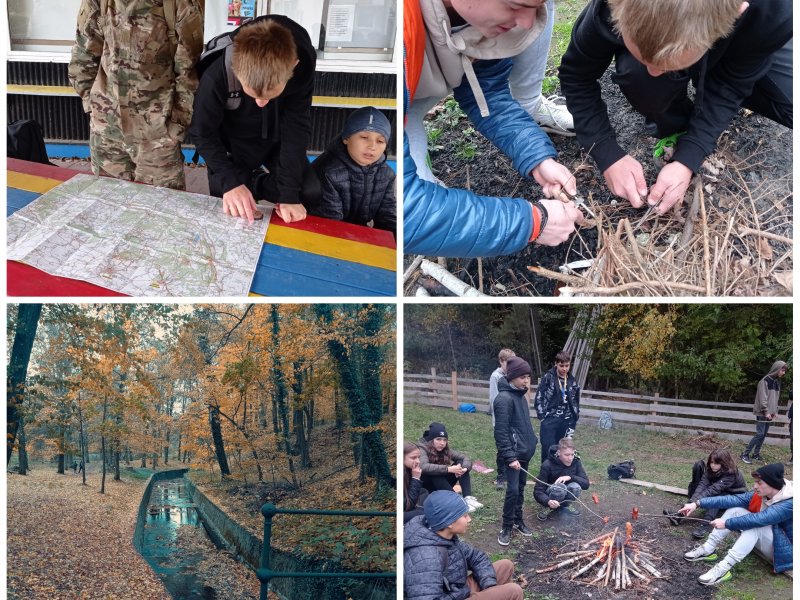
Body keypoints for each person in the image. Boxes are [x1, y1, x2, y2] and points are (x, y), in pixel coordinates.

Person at [559, 0, 792, 216]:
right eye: (646, 60)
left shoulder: (774, 12)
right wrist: (605, 151)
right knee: (641, 78)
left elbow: (731, 84)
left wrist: (692, 153)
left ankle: (714, 66)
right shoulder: (614, 6)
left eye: (666, 66)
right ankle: (675, 125)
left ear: (735, 15)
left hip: (750, 35)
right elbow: (576, 75)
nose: (654, 73)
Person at [403, 0, 585, 258]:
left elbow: (486, 92)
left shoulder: (476, 17)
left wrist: (537, 157)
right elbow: (404, 209)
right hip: (393, 107)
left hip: (413, 86)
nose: (527, 22)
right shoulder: (392, 31)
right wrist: (532, 222)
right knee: (420, 207)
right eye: (516, 4)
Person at [190, 15, 320, 224]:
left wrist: (288, 196)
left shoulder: (303, 65)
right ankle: (244, 181)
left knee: (308, 191)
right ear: (236, 67)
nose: (260, 103)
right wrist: (231, 183)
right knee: (229, 207)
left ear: (293, 67)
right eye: (252, 94)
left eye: (269, 95)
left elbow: (296, 127)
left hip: (274, 138)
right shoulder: (217, 74)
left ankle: (255, 182)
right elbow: (202, 132)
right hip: (232, 141)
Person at [68, 0, 204, 190]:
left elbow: (188, 72)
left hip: (158, 136)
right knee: (108, 204)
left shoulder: (179, 4)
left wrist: (176, 127)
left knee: (162, 209)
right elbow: (83, 57)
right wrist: (93, 107)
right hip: (107, 133)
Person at [681, 463, 793, 586]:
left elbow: (761, 519)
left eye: (759, 483)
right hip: (771, 539)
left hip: (786, 550)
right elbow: (733, 499)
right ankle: (708, 548)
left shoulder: (789, 502)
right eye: (755, 482)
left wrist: (727, 523)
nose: (755, 486)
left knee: (755, 527)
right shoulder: (762, 493)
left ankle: (723, 569)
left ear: (773, 483)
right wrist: (697, 503)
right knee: (735, 510)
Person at [404, 490, 524, 600]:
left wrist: (489, 585)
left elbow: (476, 557)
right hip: (456, 594)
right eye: (465, 515)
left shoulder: (442, 536)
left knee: (506, 565)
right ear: (449, 522)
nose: (469, 519)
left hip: (457, 590)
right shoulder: (426, 558)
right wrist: (461, 594)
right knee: (514, 590)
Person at [309, 106, 396, 236]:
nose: (372, 146)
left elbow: (387, 217)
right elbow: (330, 225)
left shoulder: (386, 174)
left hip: (356, 232)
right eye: (364, 137)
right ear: (346, 138)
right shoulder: (328, 171)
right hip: (325, 232)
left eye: (380, 141)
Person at [494, 356, 538, 546]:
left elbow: (523, 425)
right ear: (512, 376)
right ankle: (506, 525)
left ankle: (518, 520)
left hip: (524, 452)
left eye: (528, 376)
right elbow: (501, 432)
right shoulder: (503, 399)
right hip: (513, 455)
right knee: (512, 490)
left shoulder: (520, 396)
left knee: (520, 488)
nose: (526, 380)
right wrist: (510, 457)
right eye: (522, 377)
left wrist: (531, 442)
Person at [664, 448, 747, 539]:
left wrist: (695, 504)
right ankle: (679, 516)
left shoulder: (731, 474)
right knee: (709, 493)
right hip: (721, 491)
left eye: (716, 463)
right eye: (711, 462)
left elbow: (713, 490)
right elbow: (702, 486)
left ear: (724, 463)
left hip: (735, 498)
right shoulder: (710, 469)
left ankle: (705, 525)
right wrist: (691, 502)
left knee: (717, 497)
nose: (713, 465)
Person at [418, 422, 483, 512]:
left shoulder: (444, 449)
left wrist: (464, 469)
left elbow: (464, 457)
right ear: (431, 440)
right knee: (436, 472)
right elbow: (423, 466)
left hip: (441, 484)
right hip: (426, 486)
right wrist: (448, 469)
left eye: (445, 440)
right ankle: (457, 502)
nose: (442, 443)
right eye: (438, 439)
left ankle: (468, 497)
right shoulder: (422, 448)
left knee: (460, 462)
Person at [534, 351, 580, 463]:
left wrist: (575, 416)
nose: (564, 369)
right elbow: (539, 396)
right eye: (561, 365)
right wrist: (542, 416)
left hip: (566, 420)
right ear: (556, 364)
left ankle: (559, 472)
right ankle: (546, 473)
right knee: (548, 448)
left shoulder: (572, 381)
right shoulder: (548, 377)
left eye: (567, 366)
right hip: (550, 419)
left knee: (563, 448)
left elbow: (576, 400)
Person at [742, 361, 788, 464]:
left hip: (770, 413)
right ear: (777, 369)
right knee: (760, 434)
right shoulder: (764, 381)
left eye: (784, 371)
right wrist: (766, 411)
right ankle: (745, 453)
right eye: (782, 370)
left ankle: (756, 454)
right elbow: (763, 399)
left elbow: (775, 398)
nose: (783, 373)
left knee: (763, 434)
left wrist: (774, 411)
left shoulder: (776, 382)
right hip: (762, 412)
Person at [533, 437, 590, 521]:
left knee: (576, 487)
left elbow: (586, 484)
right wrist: (548, 501)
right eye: (567, 455)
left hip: (567, 490)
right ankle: (550, 507)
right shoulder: (547, 464)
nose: (570, 458)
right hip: (551, 492)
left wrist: (570, 477)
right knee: (560, 487)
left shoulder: (576, 461)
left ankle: (565, 505)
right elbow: (538, 491)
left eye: (572, 454)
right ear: (559, 453)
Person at [489, 348, 516, 490]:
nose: (510, 366)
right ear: (501, 361)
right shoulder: (496, 376)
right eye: (508, 363)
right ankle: (501, 476)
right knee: (502, 448)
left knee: (512, 445)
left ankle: (510, 472)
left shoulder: (512, 375)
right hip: (501, 419)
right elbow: (494, 399)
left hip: (512, 419)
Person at [404, 441, 428, 523]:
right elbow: (408, 505)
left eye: (418, 457)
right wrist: (415, 478)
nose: (418, 461)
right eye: (413, 458)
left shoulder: (409, 469)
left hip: (410, 505)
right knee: (424, 513)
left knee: (423, 491)